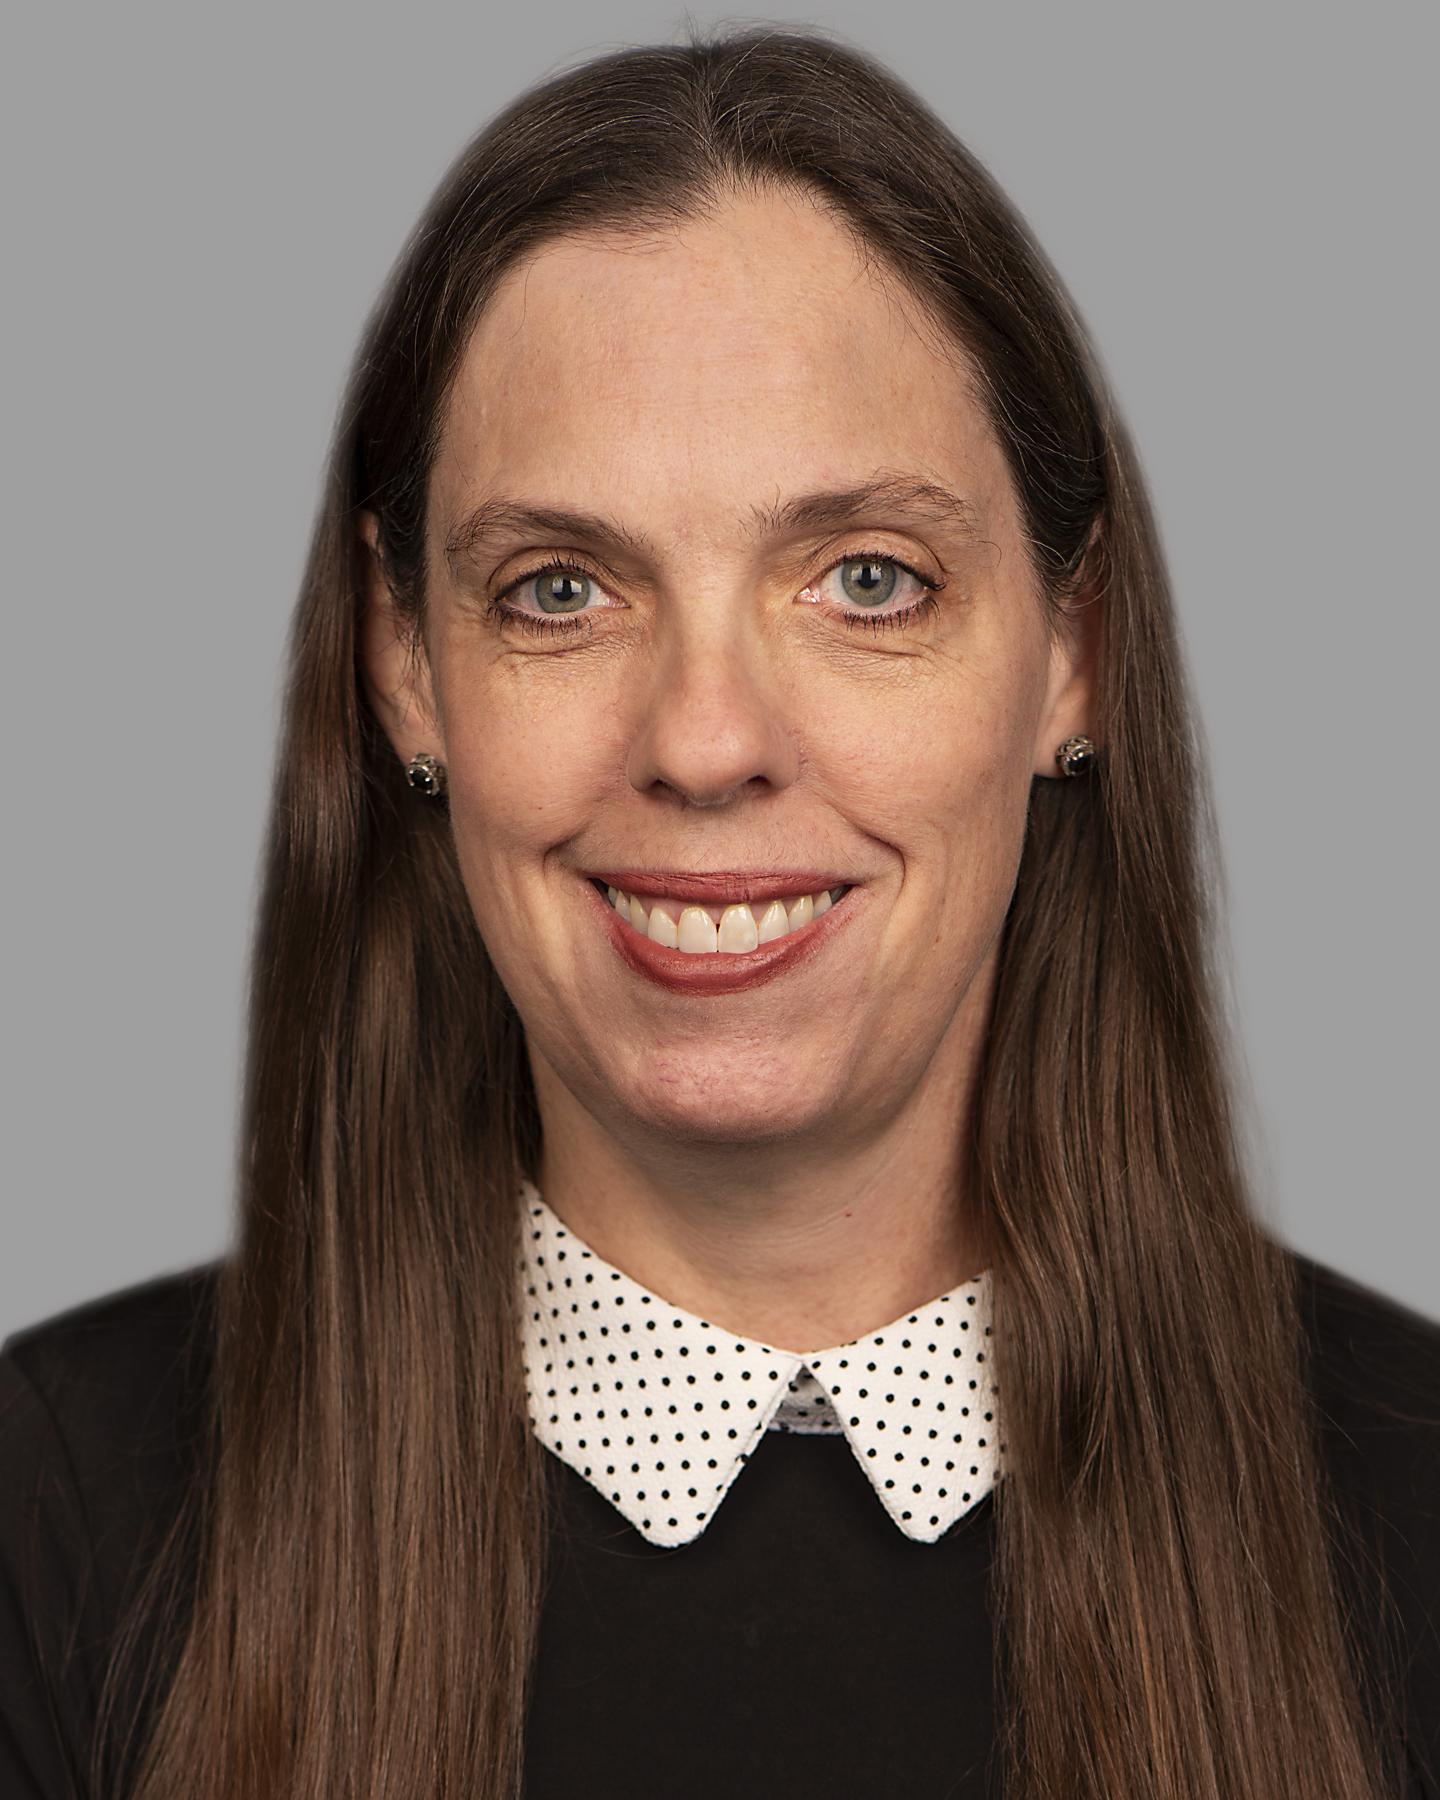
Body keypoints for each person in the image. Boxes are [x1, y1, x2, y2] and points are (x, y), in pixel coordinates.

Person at [2, 21, 1436, 1800]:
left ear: (1076, 655)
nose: (703, 741)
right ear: (405, 668)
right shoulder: (55, 1522)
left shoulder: (1417, 1505)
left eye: (863, 580)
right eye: (558, 589)